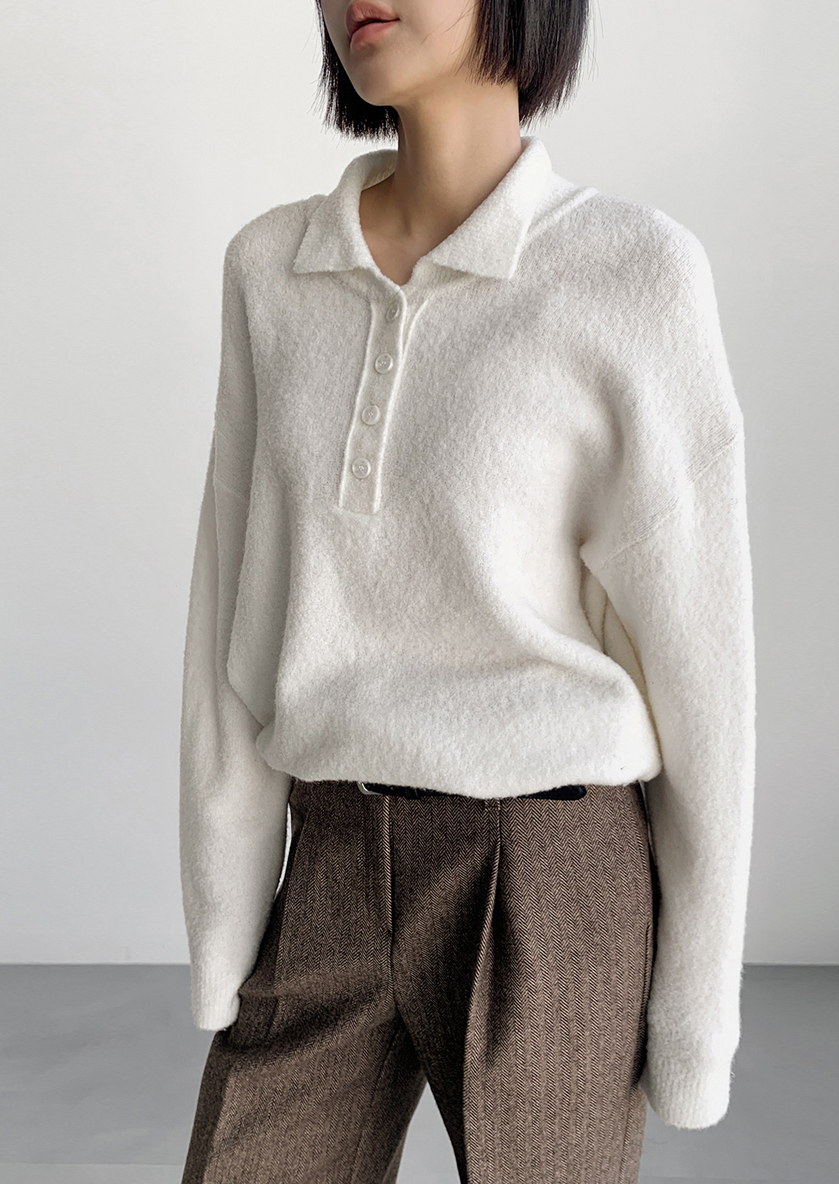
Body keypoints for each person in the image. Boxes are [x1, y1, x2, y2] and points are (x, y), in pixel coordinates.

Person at [178, 0, 756, 1180]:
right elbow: (234, 606)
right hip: (330, 856)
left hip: (547, 869)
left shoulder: (632, 272)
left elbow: (706, 671)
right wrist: (226, 920)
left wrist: (698, 1008)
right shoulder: (270, 269)